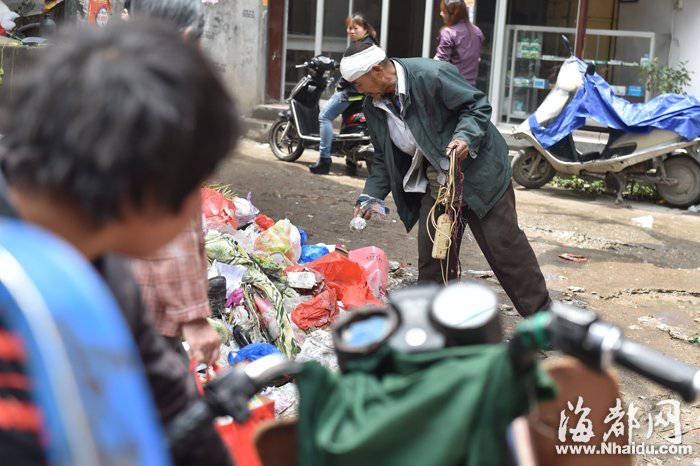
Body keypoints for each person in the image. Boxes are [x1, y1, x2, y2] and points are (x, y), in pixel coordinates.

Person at [0, 20, 237, 465]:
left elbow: (169, 399)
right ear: (150, 189)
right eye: (197, 186)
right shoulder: (25, 286)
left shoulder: (103, 268)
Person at [341, 42, 550, 317]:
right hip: (438, 181)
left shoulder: (432, 75)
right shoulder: (374, 105)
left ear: (377, 70)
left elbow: (477, 106)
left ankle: (544, 321)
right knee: (433, 259)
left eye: (358, 83)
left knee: (506, 250)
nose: (357, 90)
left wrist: (464, 136)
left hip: (480, 173)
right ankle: (437, 325)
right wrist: (371, 195)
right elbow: (383, 158)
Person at [128, 0, 218, 366]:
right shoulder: (161, 103)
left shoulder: (110, 79)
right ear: (184, 37)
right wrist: (194, 317)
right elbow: (168, 221)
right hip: (145, 305)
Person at [310, 13, 377, 175]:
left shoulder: (359, 47)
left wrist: (340, 86)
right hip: (363, 92)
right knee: (346, 121)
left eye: (355, 28)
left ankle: (325, 159)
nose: (351, 31)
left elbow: (351, 73)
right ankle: (351, 160)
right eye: (349, 28)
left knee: (324, 117)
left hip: (352, 92)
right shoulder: (370, 44)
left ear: (365, 29)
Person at [434, 0, 484, 86]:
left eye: (444, 11)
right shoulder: (477, 31)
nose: (441, 13)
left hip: (452, 87)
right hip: (471, 87)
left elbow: (439, 63)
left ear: (451, 14)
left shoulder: (448, 32)